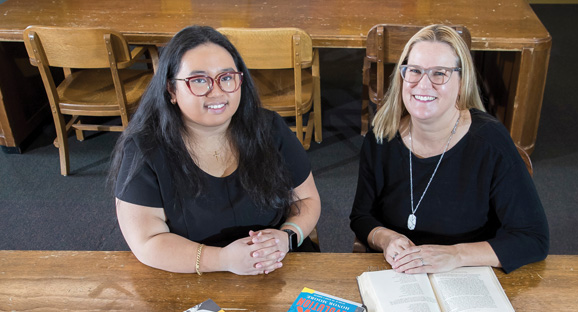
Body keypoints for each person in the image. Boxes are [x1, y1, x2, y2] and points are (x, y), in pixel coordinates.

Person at [108, 26, 321, 275]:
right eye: (199, 80)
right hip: (193, 274)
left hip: (276, 265)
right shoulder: (145, 149)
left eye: (227, 77)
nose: (217, 91)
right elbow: (147, 242)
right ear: (171, 90)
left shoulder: (270, 128)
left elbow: (307, 199)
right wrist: (223, 260)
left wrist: (287, 237)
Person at [349, 25, 548, 274]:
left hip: (467, 275)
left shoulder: (490, 142)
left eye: (439, 74)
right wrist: (385, 238)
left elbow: (533, 238)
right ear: (402, 76)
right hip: (398, 275)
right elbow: (361, 217)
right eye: (415, 71)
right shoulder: (381, 137)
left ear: (461, 81)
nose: (423, 84)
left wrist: (456, 255)